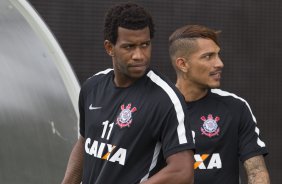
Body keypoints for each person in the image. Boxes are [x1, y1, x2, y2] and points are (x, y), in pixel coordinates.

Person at [61, 3, 195, 184]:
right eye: (129, 47)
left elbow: (182, 171)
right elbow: (86, 144)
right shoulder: (92, 87)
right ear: (109, 48)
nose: (139, 55)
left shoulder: (166, 98)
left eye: (145, 45)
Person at [168, 24, 270, 184]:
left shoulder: (236, 107)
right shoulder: (157, 107)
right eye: (208, 57)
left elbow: (257, 173)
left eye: (218, 55)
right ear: (182, 64)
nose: (219, 63)